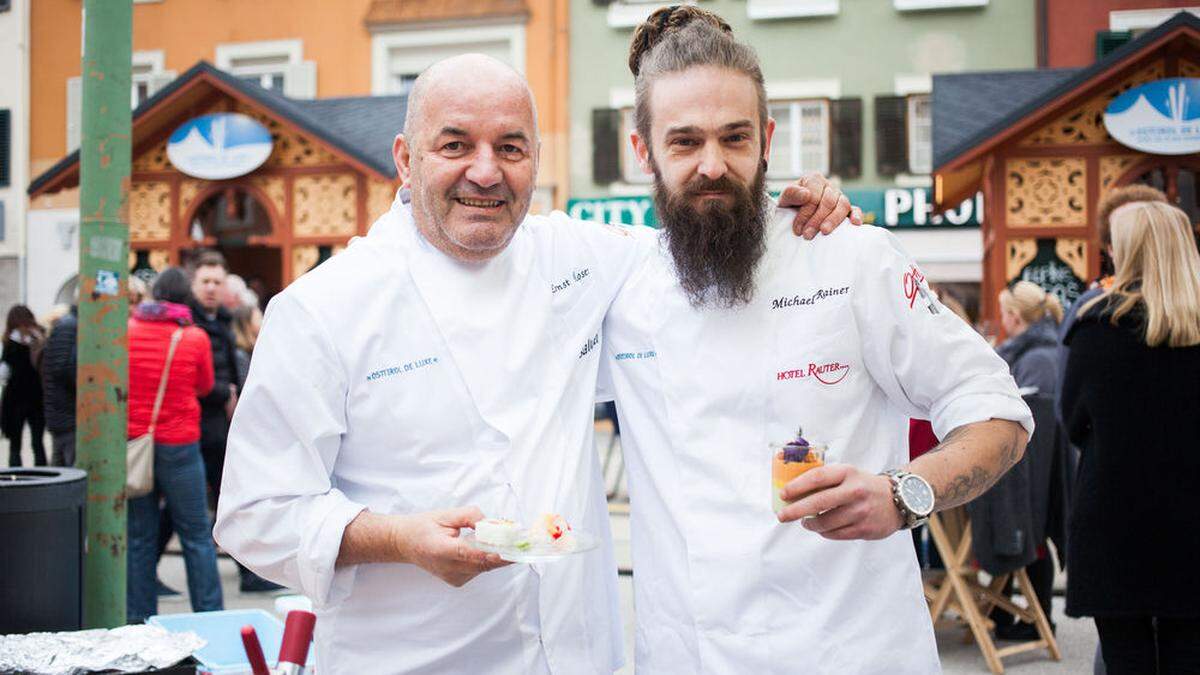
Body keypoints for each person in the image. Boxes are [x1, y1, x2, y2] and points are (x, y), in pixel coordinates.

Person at [213, 52, 854, 673]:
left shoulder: (577, 259)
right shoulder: (322, 308)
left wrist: (808, 208)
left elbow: (708, 235)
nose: (486, 173)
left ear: (536, 160)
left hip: (578, 655)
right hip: (410, 658)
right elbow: (253, 514)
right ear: (406, 161)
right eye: (456, 146)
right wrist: (396, 538)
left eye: (511, 148)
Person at [595, 7, 1031, 671]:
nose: (713, 165)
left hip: (852, 653)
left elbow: (1000, 414)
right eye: (684, 142)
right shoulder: (617, 283)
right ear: (641, 149)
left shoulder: (852, 258)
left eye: (735, 138)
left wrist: (904, 491)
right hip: (686, 653)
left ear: (767, 139)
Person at [1061, 201, 1200, 674]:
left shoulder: (1098, 326)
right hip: (1191, 520)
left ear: (1128, 252)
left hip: (1115, 518)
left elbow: (1073, 422)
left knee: (1125, 659)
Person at [126, 267, 224, 623]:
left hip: (136, 444)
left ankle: (139, 622)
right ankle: (210, 619)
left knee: (139, 538)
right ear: (186, 298)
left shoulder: (126, 332)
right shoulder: (194, 338)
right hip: (180, 445)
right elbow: (204, 385)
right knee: (196, 534)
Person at [2, 305, 47, 467]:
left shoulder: (11, 341)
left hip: (20, 398)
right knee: (32, 443)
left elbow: (4, 372)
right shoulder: (37, 337)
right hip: (31, 398)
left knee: (22, 444)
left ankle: (23, 480)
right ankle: (35, 479)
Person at [41, 305, 79, 467]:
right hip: (68, 415)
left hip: (61, 414)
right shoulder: (70, 326)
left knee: (62, 471)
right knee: (69, 474)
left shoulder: (67, 325)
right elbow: (64, 370)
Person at [230, 303, 262, 388]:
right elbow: (246, 385)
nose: (262, 321)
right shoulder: (241, 354)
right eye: (258, 318)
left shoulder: (256, 349)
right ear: (247, 324)